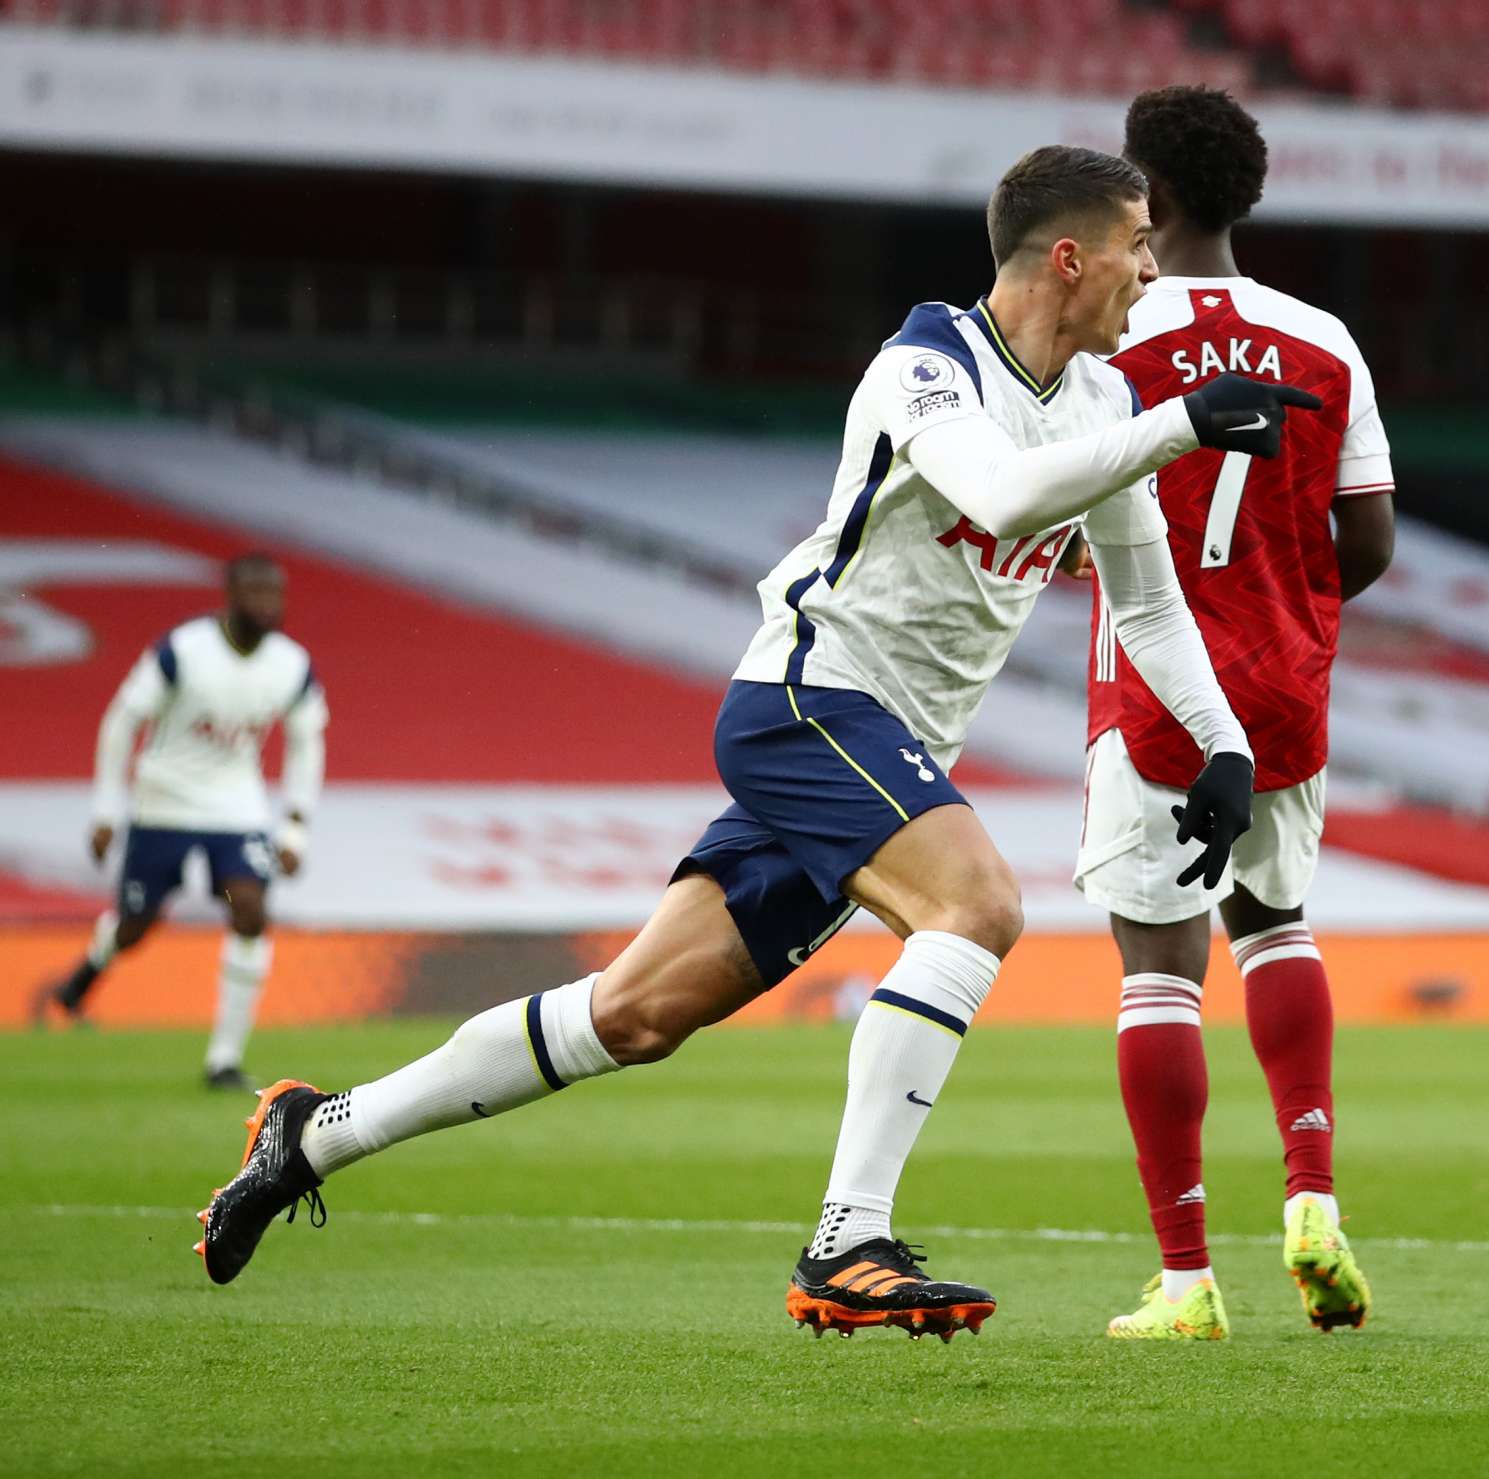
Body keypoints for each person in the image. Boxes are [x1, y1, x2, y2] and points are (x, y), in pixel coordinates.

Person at [194, 145, 1325, 1343]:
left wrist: (1222, 746)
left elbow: (1145, 603)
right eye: (1137, 246)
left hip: (883, 747)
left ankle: (314, 1134)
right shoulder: (925, 367)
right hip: (808, 700)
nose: (1151, 271)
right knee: (976, 906)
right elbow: (999, 496)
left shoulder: (1103, 405)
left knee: (631, 1016)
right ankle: (849, 1239)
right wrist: (1182, 426)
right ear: (1068, 258)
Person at [1077, 86, 1396, 1341]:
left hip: (1155, 688)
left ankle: (1187, 1280)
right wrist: (1283, 603)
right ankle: (1312, 1195)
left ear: (1144, 196)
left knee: (1160, 976)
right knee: (1276, 924)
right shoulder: (1324, 337)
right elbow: (1368, 539)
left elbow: (1053, 502)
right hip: (1283, 685)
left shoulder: (1106, 335)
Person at [31, 553, 325, 1093]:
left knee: (250, 909)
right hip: (163, 803)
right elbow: (122, 719)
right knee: (135, 925)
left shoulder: (292, 664)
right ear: (231, 596)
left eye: (276, 594)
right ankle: (85, 976)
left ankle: (224, 1060)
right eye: (256, 593)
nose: (268, 605)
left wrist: (295, 825)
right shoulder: (183, 650)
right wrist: (106, 808)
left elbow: (307, 742)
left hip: (236, 808)